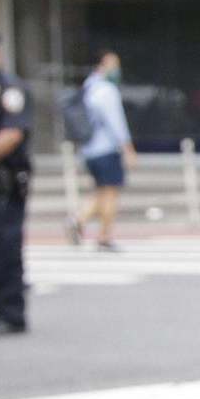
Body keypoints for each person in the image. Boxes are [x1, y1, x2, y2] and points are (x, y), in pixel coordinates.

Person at [68, 49, 134, 252]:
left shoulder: (88, 87)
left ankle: (79, 219)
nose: (117, 69)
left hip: (89, 150)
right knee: (110, 192)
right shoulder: (107, 90)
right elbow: (116, 121)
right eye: (113, 64)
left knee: (101, 191)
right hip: (105, 148)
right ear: (101, 65)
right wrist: (128, 148)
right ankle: (104, 235)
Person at [0, 32, 29, 336]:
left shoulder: (9, 90)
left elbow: (12, 133)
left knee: (4, 246)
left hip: (3, 184)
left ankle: (10, 312)